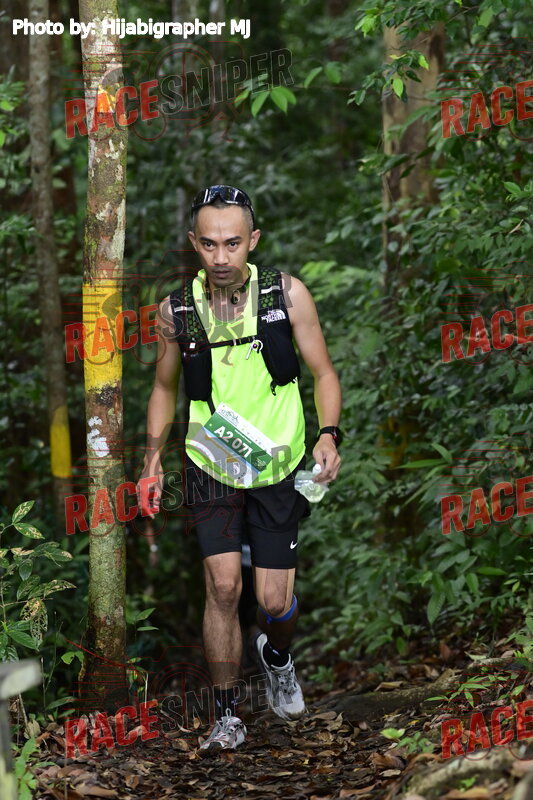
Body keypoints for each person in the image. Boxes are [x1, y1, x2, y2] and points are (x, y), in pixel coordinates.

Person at [137, 185, 342, 752]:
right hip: (211, 460)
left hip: (277, 462)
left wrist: (328, 434)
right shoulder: (177, 311)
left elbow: (323, 373)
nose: (221, 256)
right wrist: (151, 458)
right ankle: (226, 715)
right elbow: (163, 388)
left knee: (273, 603)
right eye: (209, 244)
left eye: (232, 243)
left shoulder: (287, 295)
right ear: (193, 243)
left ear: (253, 240)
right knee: (224, 587)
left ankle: (277, 656)